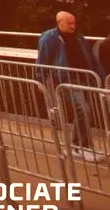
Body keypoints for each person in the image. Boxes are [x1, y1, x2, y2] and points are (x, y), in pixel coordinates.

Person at [36, 11, 105, 161]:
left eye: (74, 23)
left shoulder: (79, 37)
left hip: (84, 78)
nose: (73, 26)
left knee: (84, 111)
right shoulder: (49, 38)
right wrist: (40, 81)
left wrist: (101, 77)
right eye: (69, 23)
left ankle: (76, 145)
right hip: (65, 80)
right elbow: (42, 60)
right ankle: (85, 147)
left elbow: (91, 58)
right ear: (59, 23)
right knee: (83, 109)